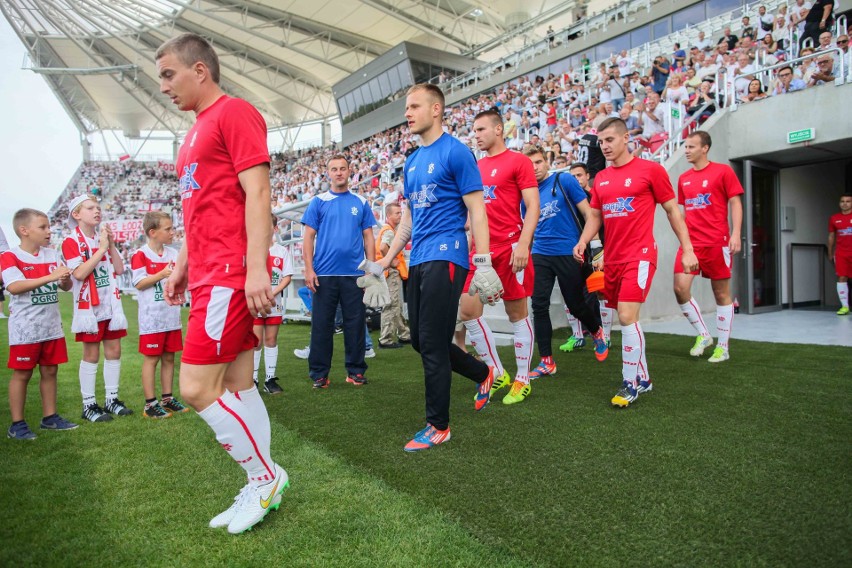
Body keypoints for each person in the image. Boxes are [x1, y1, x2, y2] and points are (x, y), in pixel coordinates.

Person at [157, 32, 287, 534]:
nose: (164, 86)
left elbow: (258, 194)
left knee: (193, 387)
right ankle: (261, 483)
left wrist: (256, 268)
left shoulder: (234, 113)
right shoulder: (192, 132)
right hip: (209, 272)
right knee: (237, 383)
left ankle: (264, 478)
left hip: (229, 275)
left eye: (169, 74)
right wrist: (180, 266)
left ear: (199, 71)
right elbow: (199, 210)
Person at [377, 83, 502, 451]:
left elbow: (478, 209)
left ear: (436, 110)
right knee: (419, 340)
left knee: (432, 343)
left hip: (448, 255)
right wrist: (384, 261)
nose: (407, 113)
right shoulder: (412, 162)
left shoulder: (457, 153)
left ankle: (438, 425)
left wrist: (482, 260)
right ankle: (483, 372)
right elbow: (408, 221)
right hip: (417, 258)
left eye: (414, 106)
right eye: (406, 107)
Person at [573, 118, 698, 408]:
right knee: (626, 319)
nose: (604, 146)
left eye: (610, 140)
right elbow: (595, 216)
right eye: (601, 141)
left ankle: (629, 383)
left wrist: (688, 248)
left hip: (640, 255)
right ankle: (643, 377)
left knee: (628, 316)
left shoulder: (650, 170)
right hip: (612, 259)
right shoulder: (601, 178)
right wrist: (582, 241)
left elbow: (672, 211)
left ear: (626, 138)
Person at [458, 109, 539, 405]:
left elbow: (533, 206)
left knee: (516, 314)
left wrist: (524, 245)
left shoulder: (519, 161)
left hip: (510, 248)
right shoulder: (475, 167)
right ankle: (496, 371)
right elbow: (473, 213)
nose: (476, 135)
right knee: (468, 312)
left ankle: (522, 379)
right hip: (480, 253)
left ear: (498, 130)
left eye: (481, 129)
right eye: (474, 130)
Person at [523, 147, 608, 381]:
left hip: (568, 252)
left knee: (576, 304)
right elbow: (527, 228)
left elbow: (590, 214)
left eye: (538, 161)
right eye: (529, 164)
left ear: (546, 161)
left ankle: (597, 332)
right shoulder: (526, 194)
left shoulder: (564, 180)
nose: (535, 167)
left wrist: (594, 246)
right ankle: (546, 361)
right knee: (538, 305)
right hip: (540, 254)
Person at [301, 154, 376, 388]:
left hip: (355, 275)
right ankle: (319, 374)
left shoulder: (361, 202)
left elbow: (368, 237)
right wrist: (308, 269)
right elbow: (308, 238)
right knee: (322, 326)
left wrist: (370, 269)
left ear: (349, 171)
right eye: (334, 169)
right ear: (328, 173)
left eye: (342, 168)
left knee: (355, 324)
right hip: (323, 275)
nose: (339, 172)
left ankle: (355, 371)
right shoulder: (318, 201)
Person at [2, 209, 77, 439]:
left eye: (49, 226)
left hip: (51, 326)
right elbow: (13, 286)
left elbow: (67, 287)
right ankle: (17, 424)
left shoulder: (51, 254)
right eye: (43, 227)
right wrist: (52, 277)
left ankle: (50, 417)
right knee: (22, 374)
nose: (49, 231)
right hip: (26, 328)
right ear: (24, 231)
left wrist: (64, 280)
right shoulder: (9, 256)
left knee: (50, 370)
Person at [673, 132, 743, 363]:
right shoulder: (683, 178)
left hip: (717, 241)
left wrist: (735, 234)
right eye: (685, 146)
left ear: (705, 148)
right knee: (680, 288)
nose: (686, 150)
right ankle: (704, 335)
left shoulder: (723, 171)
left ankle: (723, 347)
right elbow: (683, 212)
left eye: (691, 146)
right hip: (691, 245)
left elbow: (735, 202)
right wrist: (684, 240)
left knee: (721, 293)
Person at [62, 194, 130, 423]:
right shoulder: (70, 241)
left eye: (98, 207)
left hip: (110, 305)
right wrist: (101, 250)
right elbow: (79, 273)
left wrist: (109, 245)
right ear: (77, 214)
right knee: (91, 355)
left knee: (114, 351)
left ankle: (112, 398)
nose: (97, 211)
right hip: (89, 309)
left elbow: (119, 269)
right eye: (90, 208)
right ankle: (89, 404)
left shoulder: (102, 239)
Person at [131, 211, 188, 419]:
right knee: (151, 359)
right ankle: (150, 404)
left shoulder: (173, 254)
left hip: (171, 316)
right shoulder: (140, 255)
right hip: (151, 318)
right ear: (153, 232)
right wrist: (161, 274)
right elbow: (138, 283)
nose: (172, 232)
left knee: (169, 358)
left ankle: (167, 398)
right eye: (168, 229)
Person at [568, 162, 616, 349]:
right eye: (572, 176)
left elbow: (600, 222)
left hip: (599, 251)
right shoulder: (571, 199)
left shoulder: (595, 196)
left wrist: (599, 248)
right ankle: (579, 335)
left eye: (579, 175)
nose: (576, 179)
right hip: (577, 252)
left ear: (587, 176)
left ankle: (606, 334)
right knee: (572, 293)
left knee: (600, 293)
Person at [251, 214, 293, 393]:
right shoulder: (251, 250)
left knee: (271, 340)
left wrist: (272, 293)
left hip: (274, 303)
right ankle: (252, 379)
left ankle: (270, 379)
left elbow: (287, 277)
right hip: (256, 304)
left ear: (275, 229)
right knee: (256, 341)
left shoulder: (281, 252)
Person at [376, 202, 411, 348]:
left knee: (395, 305)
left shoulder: (388, 230)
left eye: (401, 213)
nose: (400, 215)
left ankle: (404, 334)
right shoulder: (389, 231)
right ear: (389, 215)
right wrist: (391, 262)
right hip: (391, 272)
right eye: (397, 213)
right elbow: (383, 247)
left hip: (387, 273)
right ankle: (386, 339)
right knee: (391, 305)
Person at [828, 193, 852, 315]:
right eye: (842, 201)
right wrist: (830, 252)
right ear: (839, 203)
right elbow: (831, 235)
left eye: (848, 201)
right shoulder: (834, 218)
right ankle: (845, 306)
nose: (845, 203)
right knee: (842, 277)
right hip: (841, 253)